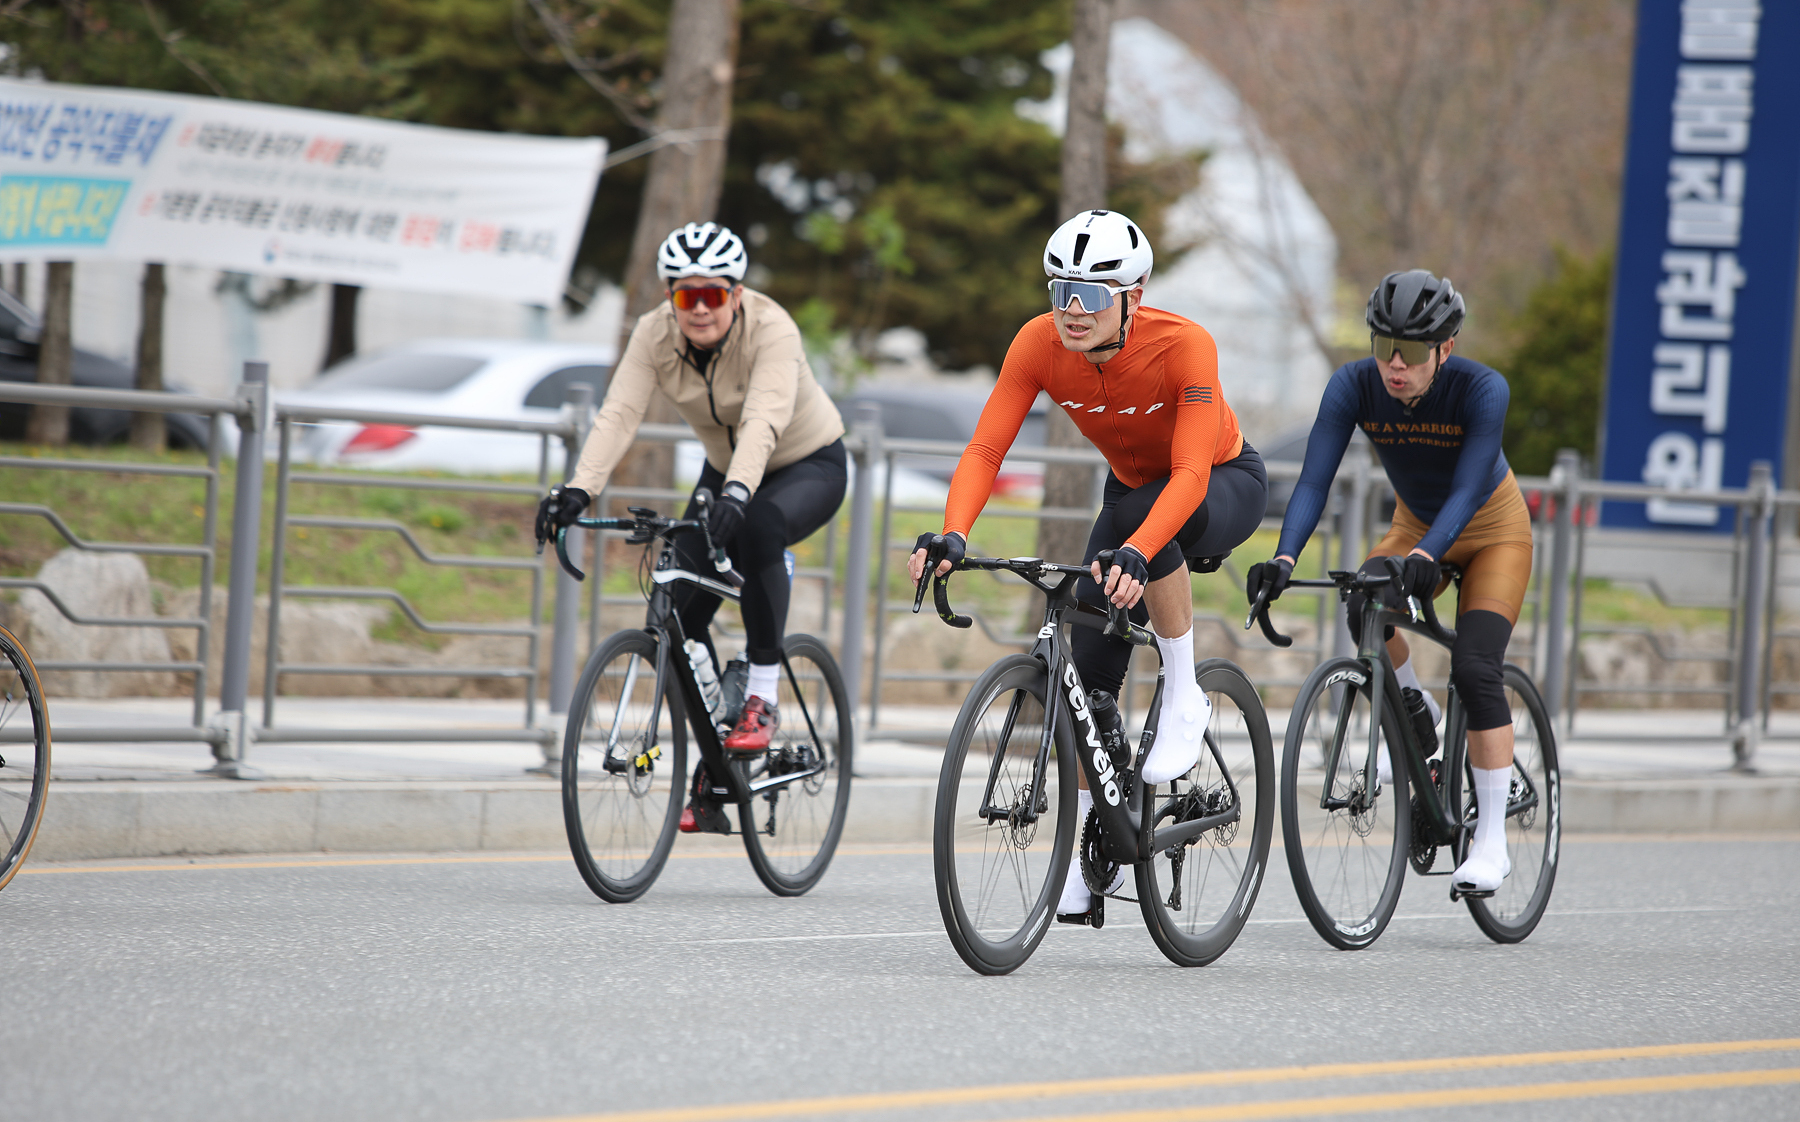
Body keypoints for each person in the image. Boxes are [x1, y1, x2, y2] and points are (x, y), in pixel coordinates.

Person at [908, 209, 1268, 925]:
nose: (1073, 309)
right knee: (1087, 679)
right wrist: (953, 534)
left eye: (1094, 295)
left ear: (1134, 296)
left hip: (1220, 484)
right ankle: (1088, 852)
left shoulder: (1185, 345)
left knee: (1141, 522)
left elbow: (1189, 475)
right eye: (1060, 291)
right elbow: (986, 450)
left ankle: (1185, 690)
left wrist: (1139, 550)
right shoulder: (1038, 342)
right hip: (1131, 495)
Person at [534, 222, 846, 829]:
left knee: (759, 526)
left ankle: (761, 697)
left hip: (806, 463)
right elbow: (620, 412)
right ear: (670, 298)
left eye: (713, 294)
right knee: (678, 609)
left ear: (736, 294)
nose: (699, 308)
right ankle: (717, 764)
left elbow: (763, 420)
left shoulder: (773, 328)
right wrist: (578, 489)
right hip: (727, 469)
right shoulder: (653, 333)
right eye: (686, 296)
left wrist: (737, 492)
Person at [1246, 268, 1533, 896]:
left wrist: (1430, 553)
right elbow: (1314, 480)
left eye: (1410, 351)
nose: (1394, 365)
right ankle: (1417, 711)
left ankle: (1490, 842)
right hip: (1416, 526)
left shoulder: (1483, 388)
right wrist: (1283, 559)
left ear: (1445, 348)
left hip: (1493, 532)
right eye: (1383, 346)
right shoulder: (1353, 385)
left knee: (1475, 667)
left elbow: (1469, 487)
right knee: (1363, 602)